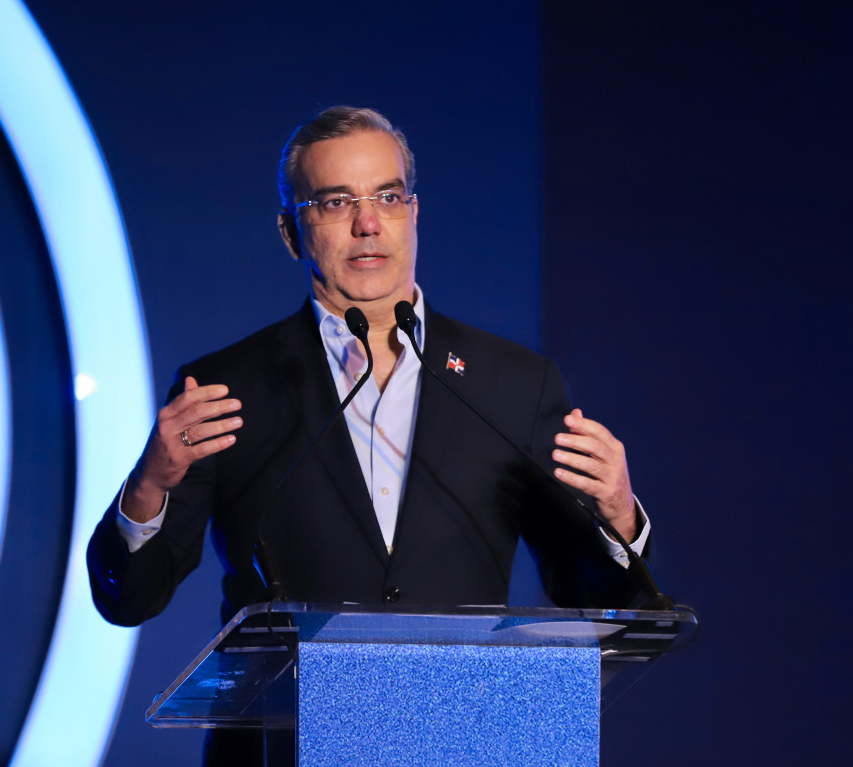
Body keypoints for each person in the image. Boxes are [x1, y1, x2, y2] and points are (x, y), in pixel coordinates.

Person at [86, 105, 650, 635]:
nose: (368, 223)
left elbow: (596, 596)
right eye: (336, 202)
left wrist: (621, 517)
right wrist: (148, 486)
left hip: (460, 708)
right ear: (290, 232)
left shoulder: (514, 385)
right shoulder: (225, 391)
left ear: (413, 214)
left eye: (388, 196)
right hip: (287, 709)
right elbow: (132, 599)